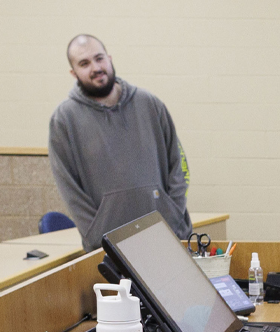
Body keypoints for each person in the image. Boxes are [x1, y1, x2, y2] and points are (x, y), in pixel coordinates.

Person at [48, 34, 194, 248]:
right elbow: (70, 190)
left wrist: (171, 217)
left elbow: (179, 168)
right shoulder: (64, 120)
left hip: (168, 236)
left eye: (99, 58)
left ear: (109, 58)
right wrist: (97, 235)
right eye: (84, 63)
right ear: (73, 72)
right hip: (110, 249)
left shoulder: (150, 104)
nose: (96, 67)